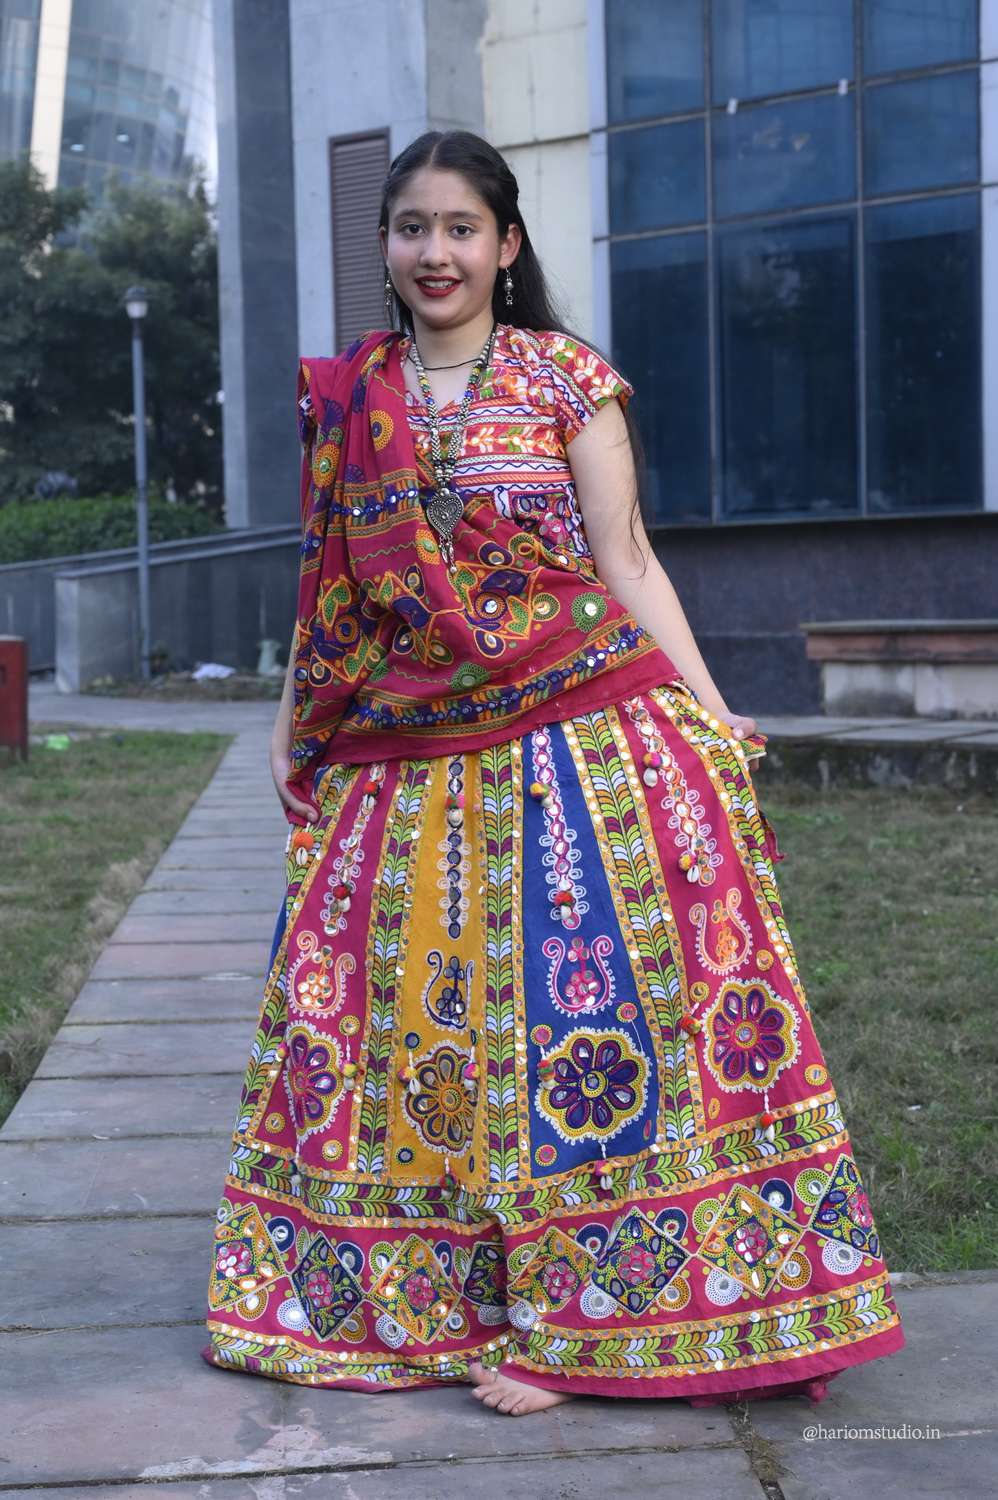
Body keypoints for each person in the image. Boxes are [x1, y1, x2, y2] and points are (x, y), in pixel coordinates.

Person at [202, 129, 905, 1417]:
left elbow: (626, 560)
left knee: (588, 1030)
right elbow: (331, 586)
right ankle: (430, 1298)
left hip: (576, 741)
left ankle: (601, 1319)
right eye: (412, 227)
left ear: (507, 244)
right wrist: (291, 719)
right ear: (386, 243)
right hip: (406, 751)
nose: (435, 252)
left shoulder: (568, 380)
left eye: (461, 228)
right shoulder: (353, 396)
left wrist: (714, 713)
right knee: (400, 1031)